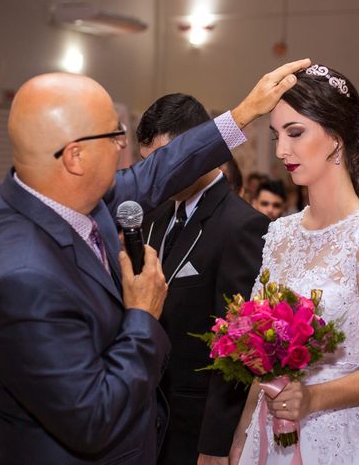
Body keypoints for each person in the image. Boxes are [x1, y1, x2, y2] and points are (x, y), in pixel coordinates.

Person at [0, 58, 310, 464]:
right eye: (114, 134)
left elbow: (162, 168)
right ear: (74, 157)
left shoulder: (76, 199)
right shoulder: (25, 273)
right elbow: (93, 419)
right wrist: (142, 316)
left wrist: (243, 112)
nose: (124, 145)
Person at [230, 64, 359, 464]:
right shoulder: (280, 234)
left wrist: (312, 398)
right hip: (268, 435)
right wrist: (242, 434)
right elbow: (263, 359)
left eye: (295, 133)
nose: (280, 151)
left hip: (345, 441)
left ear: (336, 138)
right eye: (277, 136)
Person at [136, 93, 270, 465]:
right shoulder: (154, 214)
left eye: (164, 162)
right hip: (142, 417)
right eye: (148, 165)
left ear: (198, 150)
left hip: (193, 425)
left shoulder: (242, 225)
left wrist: (216, 442)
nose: (155, 176)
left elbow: (238, 345)